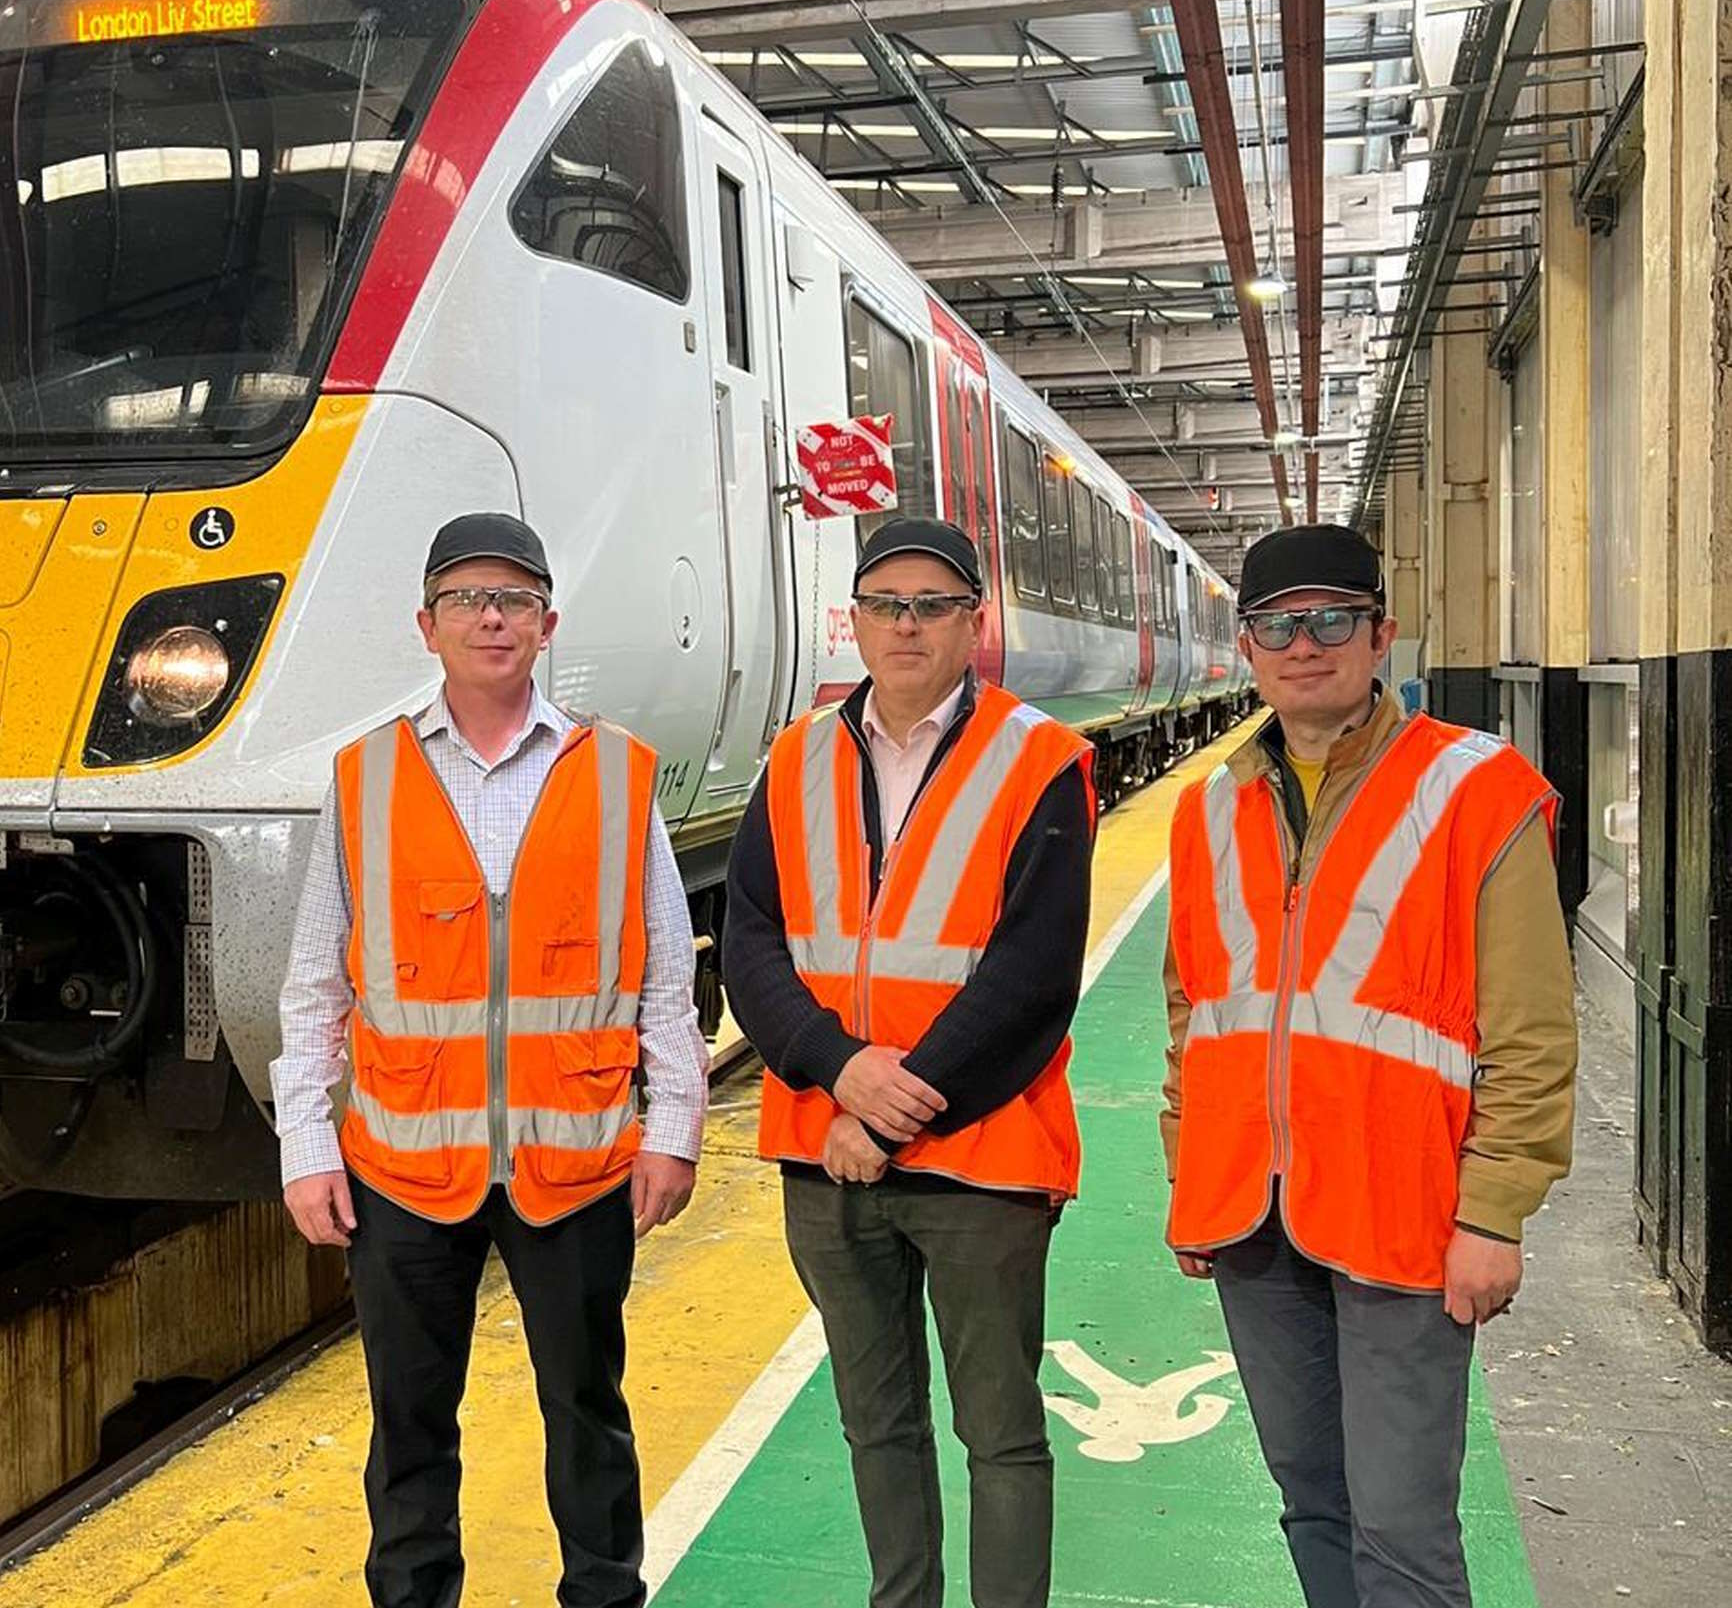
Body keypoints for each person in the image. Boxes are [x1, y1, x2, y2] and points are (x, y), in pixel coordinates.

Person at [272, 511, 709, 1608]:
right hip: (403, 1169)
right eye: (466, 598)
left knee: (588, 1413)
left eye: (512, 599)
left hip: (576, 1169)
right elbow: (316, 983)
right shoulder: (364, 777)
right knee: (408, 1425)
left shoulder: (614, 774)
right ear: (426, 625)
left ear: (547, 623)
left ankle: (603, 1594)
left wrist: (673, 1130)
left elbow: (662, 975)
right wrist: (304, 1146)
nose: (490, 618)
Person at [1161, 522, 1579, 1608]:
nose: (1304, 644)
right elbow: (1192, 1007)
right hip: (1249, 1216)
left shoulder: (1475, 789)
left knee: (1399, 1527)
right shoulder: (1210, 806)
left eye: (1329, 618)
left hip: (1405, 1213)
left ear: (1378, 633)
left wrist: (1492, 1214)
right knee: (1309, 1498)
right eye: (1276, 625)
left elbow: (1529, 1029)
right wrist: (1188, 1173)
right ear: (1244, 647)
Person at [721, 515, 1096, 1608]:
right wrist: (836, 1070)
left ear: (973, 622)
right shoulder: (792, 758)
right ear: (853, 618)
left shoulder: (1038, 761)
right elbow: (750, 941)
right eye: (885, 603)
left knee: (999, 1433)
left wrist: (879, 1113)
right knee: (873, 1424)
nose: (906, 625)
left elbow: (1029, 980)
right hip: (823, 1153)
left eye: (933, 605)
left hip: (979, 1158)